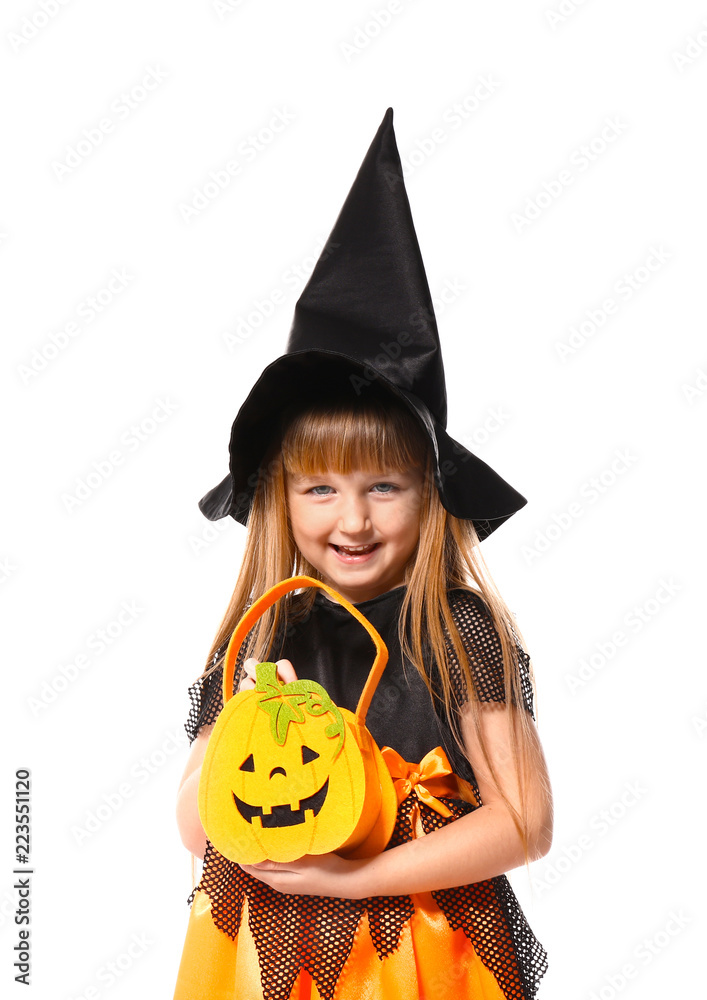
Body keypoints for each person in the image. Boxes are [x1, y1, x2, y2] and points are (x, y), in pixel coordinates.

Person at [173, 108, 553, 1000]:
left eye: (383, 487)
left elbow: (524, 822)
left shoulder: (455, 628)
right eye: (320, 489)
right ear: (279, 499)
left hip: (416, 954)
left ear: (432, 497)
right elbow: (197, 829)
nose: (352, 519)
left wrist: (356, 880)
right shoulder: (261, 633)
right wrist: (245, 721)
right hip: (269, 955)